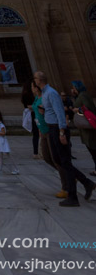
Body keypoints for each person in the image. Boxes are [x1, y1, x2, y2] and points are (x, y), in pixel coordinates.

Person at [34, 70, 95, 207]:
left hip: (58, 129)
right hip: (51, 127)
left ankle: (73, 196)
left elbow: (60, 113)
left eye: (35, 79)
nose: (34, 81)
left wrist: (62, 132)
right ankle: (87, 183)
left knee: (64, 161)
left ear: (39, 80)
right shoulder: (45, 94)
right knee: (58, 160)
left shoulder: (51, 93)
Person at [31, 79, 67, 198]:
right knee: (47, 157)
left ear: (37, 87)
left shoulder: (47, 96)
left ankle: (67, 185)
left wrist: (62, 132)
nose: (31, 88)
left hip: (51, 130)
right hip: (44, 131)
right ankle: (71, 176)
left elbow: (58, 112)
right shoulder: (37, 98)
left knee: (57, 159)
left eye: (33, 86)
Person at [70, 80, 96, 175]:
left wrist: (78, 109)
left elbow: (88, 107)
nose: (72, 89)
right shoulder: (81, 95)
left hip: (88, 125)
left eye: (73, 87)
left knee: (93, 148)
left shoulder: (83, 95)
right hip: (85, 126)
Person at [0, 109, 18, 175]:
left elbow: (3, 133)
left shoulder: (1, 125)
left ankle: (16, 169)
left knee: (8, 155)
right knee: (0, 156)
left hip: (3, 141)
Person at [21, 79, 40, 159]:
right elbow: (29, 105)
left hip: (33, 114)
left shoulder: (25, 94)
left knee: (36, 134)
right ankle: (37, 152)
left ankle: (36, 152)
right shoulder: (29, 95)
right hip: (34, 114)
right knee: (37, 133)